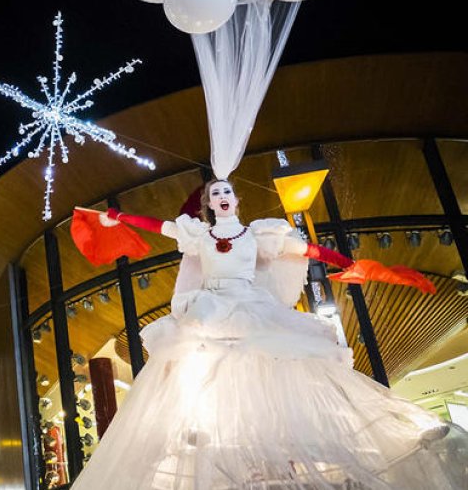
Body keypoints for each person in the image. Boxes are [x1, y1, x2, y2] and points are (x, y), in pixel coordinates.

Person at [69, 179, 468, 489]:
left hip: (251, 304)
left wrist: (352, 263)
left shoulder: (258, 236)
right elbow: (159, 227)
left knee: (276, 361)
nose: (223, 197)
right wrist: (118, 219)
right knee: (211, 363)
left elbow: (307, 251)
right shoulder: (197, 234)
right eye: (216, 193)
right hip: (213, 305)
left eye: (228, 192)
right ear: (209, 204)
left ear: (236, 201)